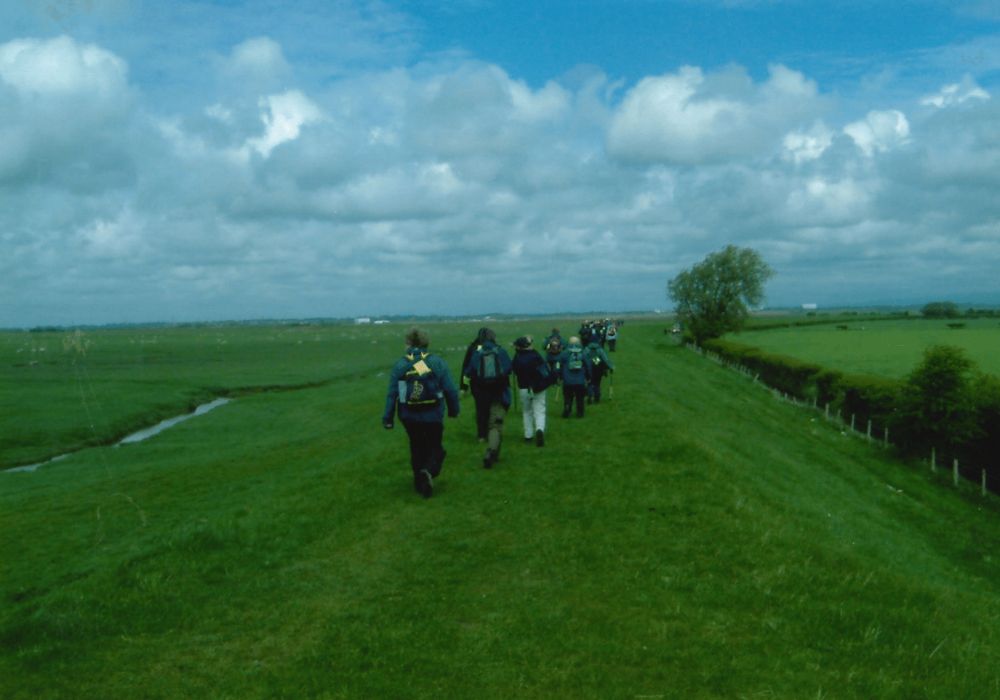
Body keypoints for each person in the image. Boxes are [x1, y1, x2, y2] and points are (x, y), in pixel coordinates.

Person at [382, 327, 460, 498]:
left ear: (408, 344)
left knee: (416, 447)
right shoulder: (437, 362)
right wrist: (454, 410)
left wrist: (388, 418)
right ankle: (429, 471)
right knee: (436, 449)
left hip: (409, 416)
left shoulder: (401, 364)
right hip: (433, 414)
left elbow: (393, 394)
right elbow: (450, 390)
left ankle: (419, 482)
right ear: (426, 343)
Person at [464, 328, 512, 469]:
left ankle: (493, 450)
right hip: (499, 393)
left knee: (485, 419)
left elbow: (469, 372)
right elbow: (508, 368)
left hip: (482, 394)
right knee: (495, 425)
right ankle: (491, 450)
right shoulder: (500, 351)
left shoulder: (477, 354)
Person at [511, 336, 553, 446]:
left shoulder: (517, 358)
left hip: (523, 387)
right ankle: (539, 429)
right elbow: (544, 369)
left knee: (527, 412)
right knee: (539, 410)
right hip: (538, 387)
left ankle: (528, 435)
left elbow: (514, 370)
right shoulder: (536, 355)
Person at [461, 328, 491, 441]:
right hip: (492, 383)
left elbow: (466, 368)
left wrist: (463, 386)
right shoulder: (493, 347)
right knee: (491, 408)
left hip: (477, 384)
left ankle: (481, 435)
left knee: (480, 409)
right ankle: (491, 432)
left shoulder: (473, 347)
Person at [559, 336, 591, 418]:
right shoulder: (583, 353)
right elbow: (588, 366)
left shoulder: (564, 353)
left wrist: (560, 377)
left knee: (568, 398)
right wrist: (588, 377)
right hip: (580, 381)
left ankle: (567, 411)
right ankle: (580, 413)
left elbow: (559, 366)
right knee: (580, 398)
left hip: (567, 381)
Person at [585, 335, 614, 403]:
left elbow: (584, 359)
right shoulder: (600, 349)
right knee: (597, 383)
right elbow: (605, 360)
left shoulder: (586, 349)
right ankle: (596, 397)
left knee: (589, 383)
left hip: (589, 369)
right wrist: (611, 367)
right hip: (598, 369)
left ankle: (590, 396)